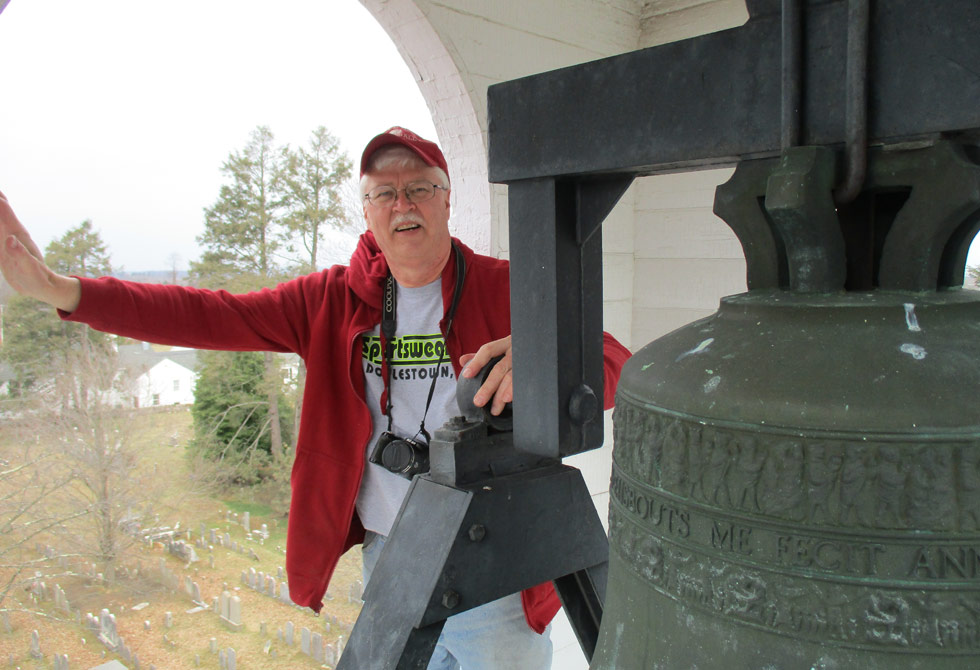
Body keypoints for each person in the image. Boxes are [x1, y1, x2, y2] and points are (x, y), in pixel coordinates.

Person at [0, 126, 631, 669]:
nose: (402, 203)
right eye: (383, 192)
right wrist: (65, 291)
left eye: (418, 187)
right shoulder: (329, 301)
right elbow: (203, 315)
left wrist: (545, 362)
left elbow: (615, 363)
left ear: (446, 199)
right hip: (395, 552)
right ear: (366, 211)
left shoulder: (509, 288)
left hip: (501, 561)